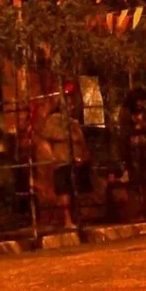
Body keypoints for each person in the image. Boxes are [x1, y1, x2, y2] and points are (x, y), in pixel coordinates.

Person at [42, 85, 93, 229]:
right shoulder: (54, 120)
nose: (71, 103)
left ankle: (79, 217)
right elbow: (50, 135)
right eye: (67, 100)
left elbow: (81, 141)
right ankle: (67, 220)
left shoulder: (74, 122)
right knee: (64, 191)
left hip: (77, 161)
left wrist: (84, 155)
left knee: (77, 190)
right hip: (62, 161)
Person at [119, 87, 146, 220]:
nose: (141, 104)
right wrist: (136, 128)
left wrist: (144, 125)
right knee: (134, 181)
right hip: (132, 150)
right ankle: (137, 211)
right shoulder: (125, 112)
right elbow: (125, 131)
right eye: (140, 101)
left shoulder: (144, 111)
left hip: (144, 149)